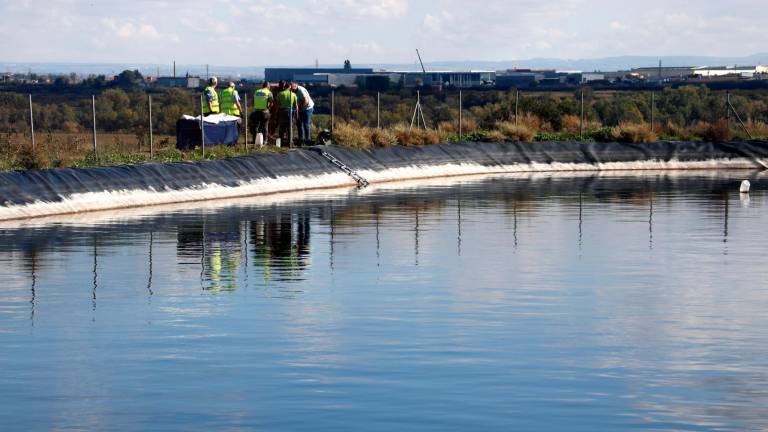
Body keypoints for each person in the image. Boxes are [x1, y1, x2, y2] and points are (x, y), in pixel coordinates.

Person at [276, 81, 298, 147]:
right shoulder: (293, 94)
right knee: (290, 128)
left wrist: (277, 113)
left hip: (282, 111)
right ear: (289, 87)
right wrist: (297, 114)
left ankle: (281, 142)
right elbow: (296, 106)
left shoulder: (280, 94)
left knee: (282, 128)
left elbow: (277, 105)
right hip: (290, 112)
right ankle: (290, 142)